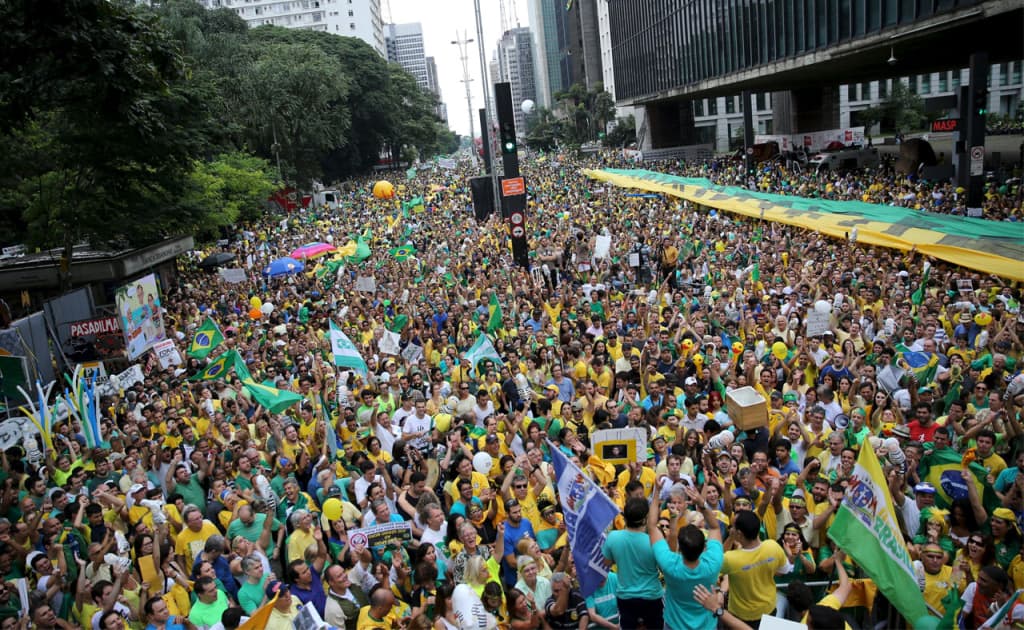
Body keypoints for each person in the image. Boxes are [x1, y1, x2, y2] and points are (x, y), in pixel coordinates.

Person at [648, 485, 723, 630]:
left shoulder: (670, 564)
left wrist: (657, 492)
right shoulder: (713, 563)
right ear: (704, 547)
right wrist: (702, 504)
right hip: (707, 626)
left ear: (680, 549)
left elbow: (652, 526)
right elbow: (715, 527)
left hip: (674, 626)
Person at [601, 497, 663, 629]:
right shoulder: (653, 541)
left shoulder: (613, 537)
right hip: (652, 597)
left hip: (626, 598)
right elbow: (664, 567)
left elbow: (606, 563)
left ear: (625, 517)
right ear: (645, 519)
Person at [721, 511, 791, 627]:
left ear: (739, 533)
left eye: (732, 526)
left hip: (740, 615)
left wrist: (730, 538)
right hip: (768, 609)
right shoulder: (773, 546)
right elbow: (785, 569)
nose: (730, 529)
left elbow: (716, 559)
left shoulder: (730, 558)